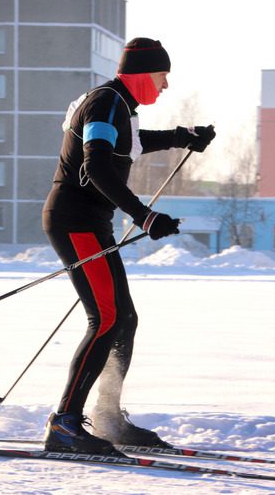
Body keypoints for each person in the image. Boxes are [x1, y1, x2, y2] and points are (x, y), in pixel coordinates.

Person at [41, 37, 215, 455]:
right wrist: (145, 216)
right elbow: (96, 164)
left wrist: (182, 136)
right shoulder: (104, 103)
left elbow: (131, 142)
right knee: (105, 318)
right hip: (75, 222)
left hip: (91, 224)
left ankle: (106, 418)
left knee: (124, 318)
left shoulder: (119, 106)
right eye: (162, 77)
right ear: (140, 75)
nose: (165, 86)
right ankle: (64, 424)